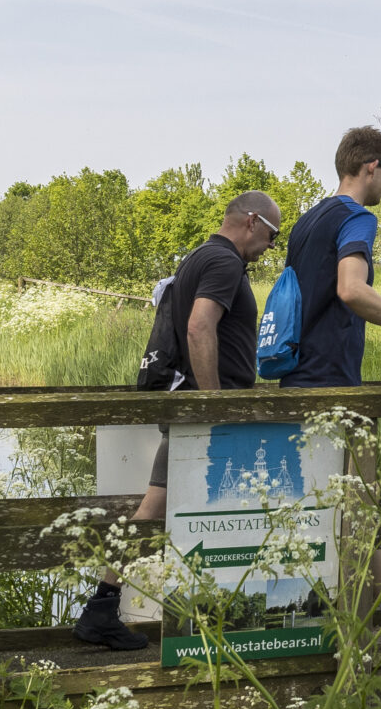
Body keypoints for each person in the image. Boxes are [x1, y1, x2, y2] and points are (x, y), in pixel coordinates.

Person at [74, 190, 283, 650]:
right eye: (273, 234)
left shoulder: (199, 256)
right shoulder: (225, 262)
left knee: (180, 511)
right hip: (200, 416)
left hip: (191, 410)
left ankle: (115, 608)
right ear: (252, 221)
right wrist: (214, 407)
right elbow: (198, 326)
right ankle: (107, 610)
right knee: (158, 510)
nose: (272, 246)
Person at [280, 126, 381, 612]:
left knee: (334, 502)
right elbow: (351, 289)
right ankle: (375, 614)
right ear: (370, 166)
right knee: (360, 500)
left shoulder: (308, 221)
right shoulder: (355, 217)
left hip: (298, 375)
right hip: (332, 379)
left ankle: (370, 605)